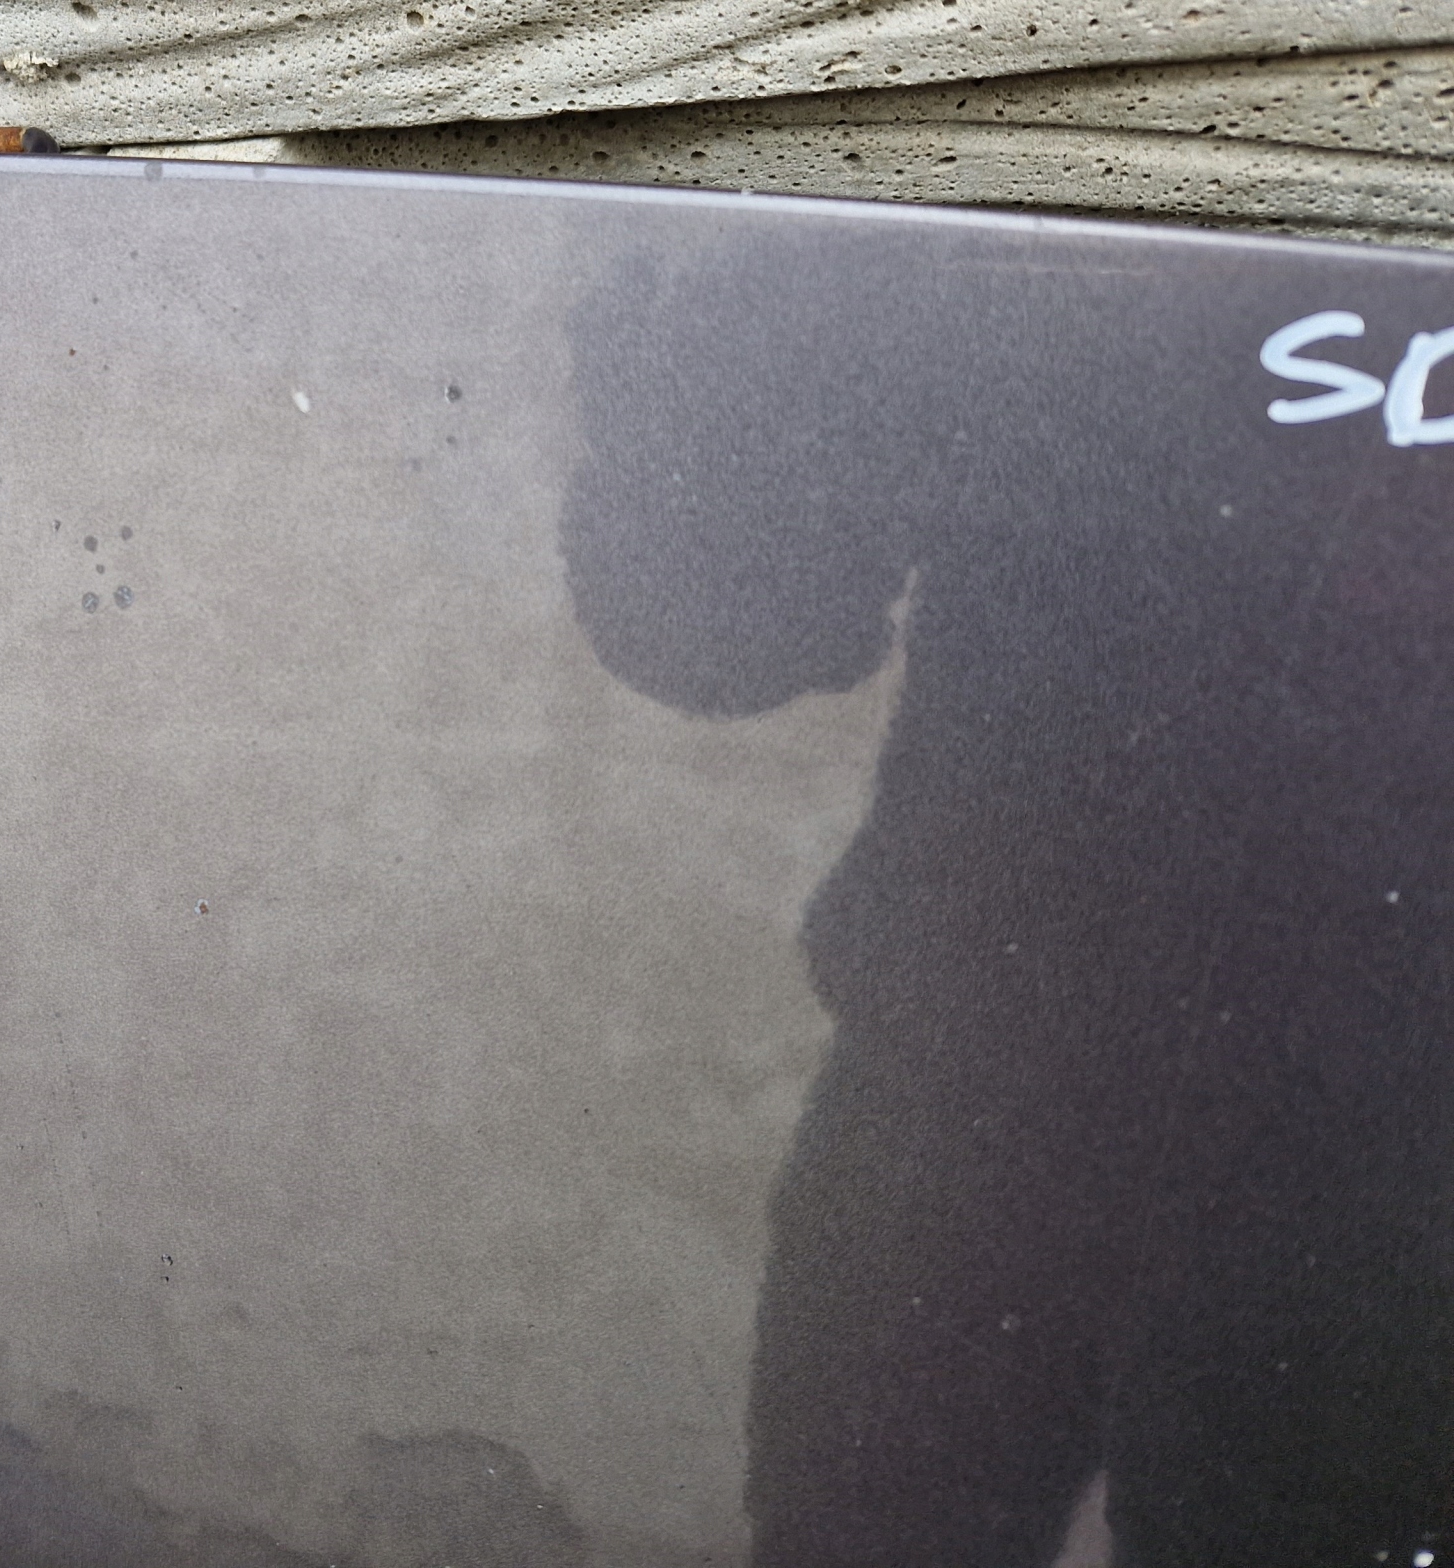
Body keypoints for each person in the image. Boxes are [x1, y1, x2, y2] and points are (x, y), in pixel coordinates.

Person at [559, 228, 1454, 1567]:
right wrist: (711, 328)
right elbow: (716, 620)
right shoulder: (1019, 177)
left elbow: (715, 621)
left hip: (1367, 1193)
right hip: (973, 1126)